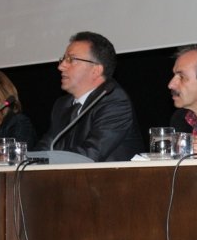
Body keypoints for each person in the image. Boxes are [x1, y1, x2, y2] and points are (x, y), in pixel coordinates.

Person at [34, 31, 144, 161]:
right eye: (63, 59)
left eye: (71, 59)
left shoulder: (115, 101)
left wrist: (46, 160)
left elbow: (91, 154)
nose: (61, 66)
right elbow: (46, 145)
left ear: (96, 70)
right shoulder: (62, 104)